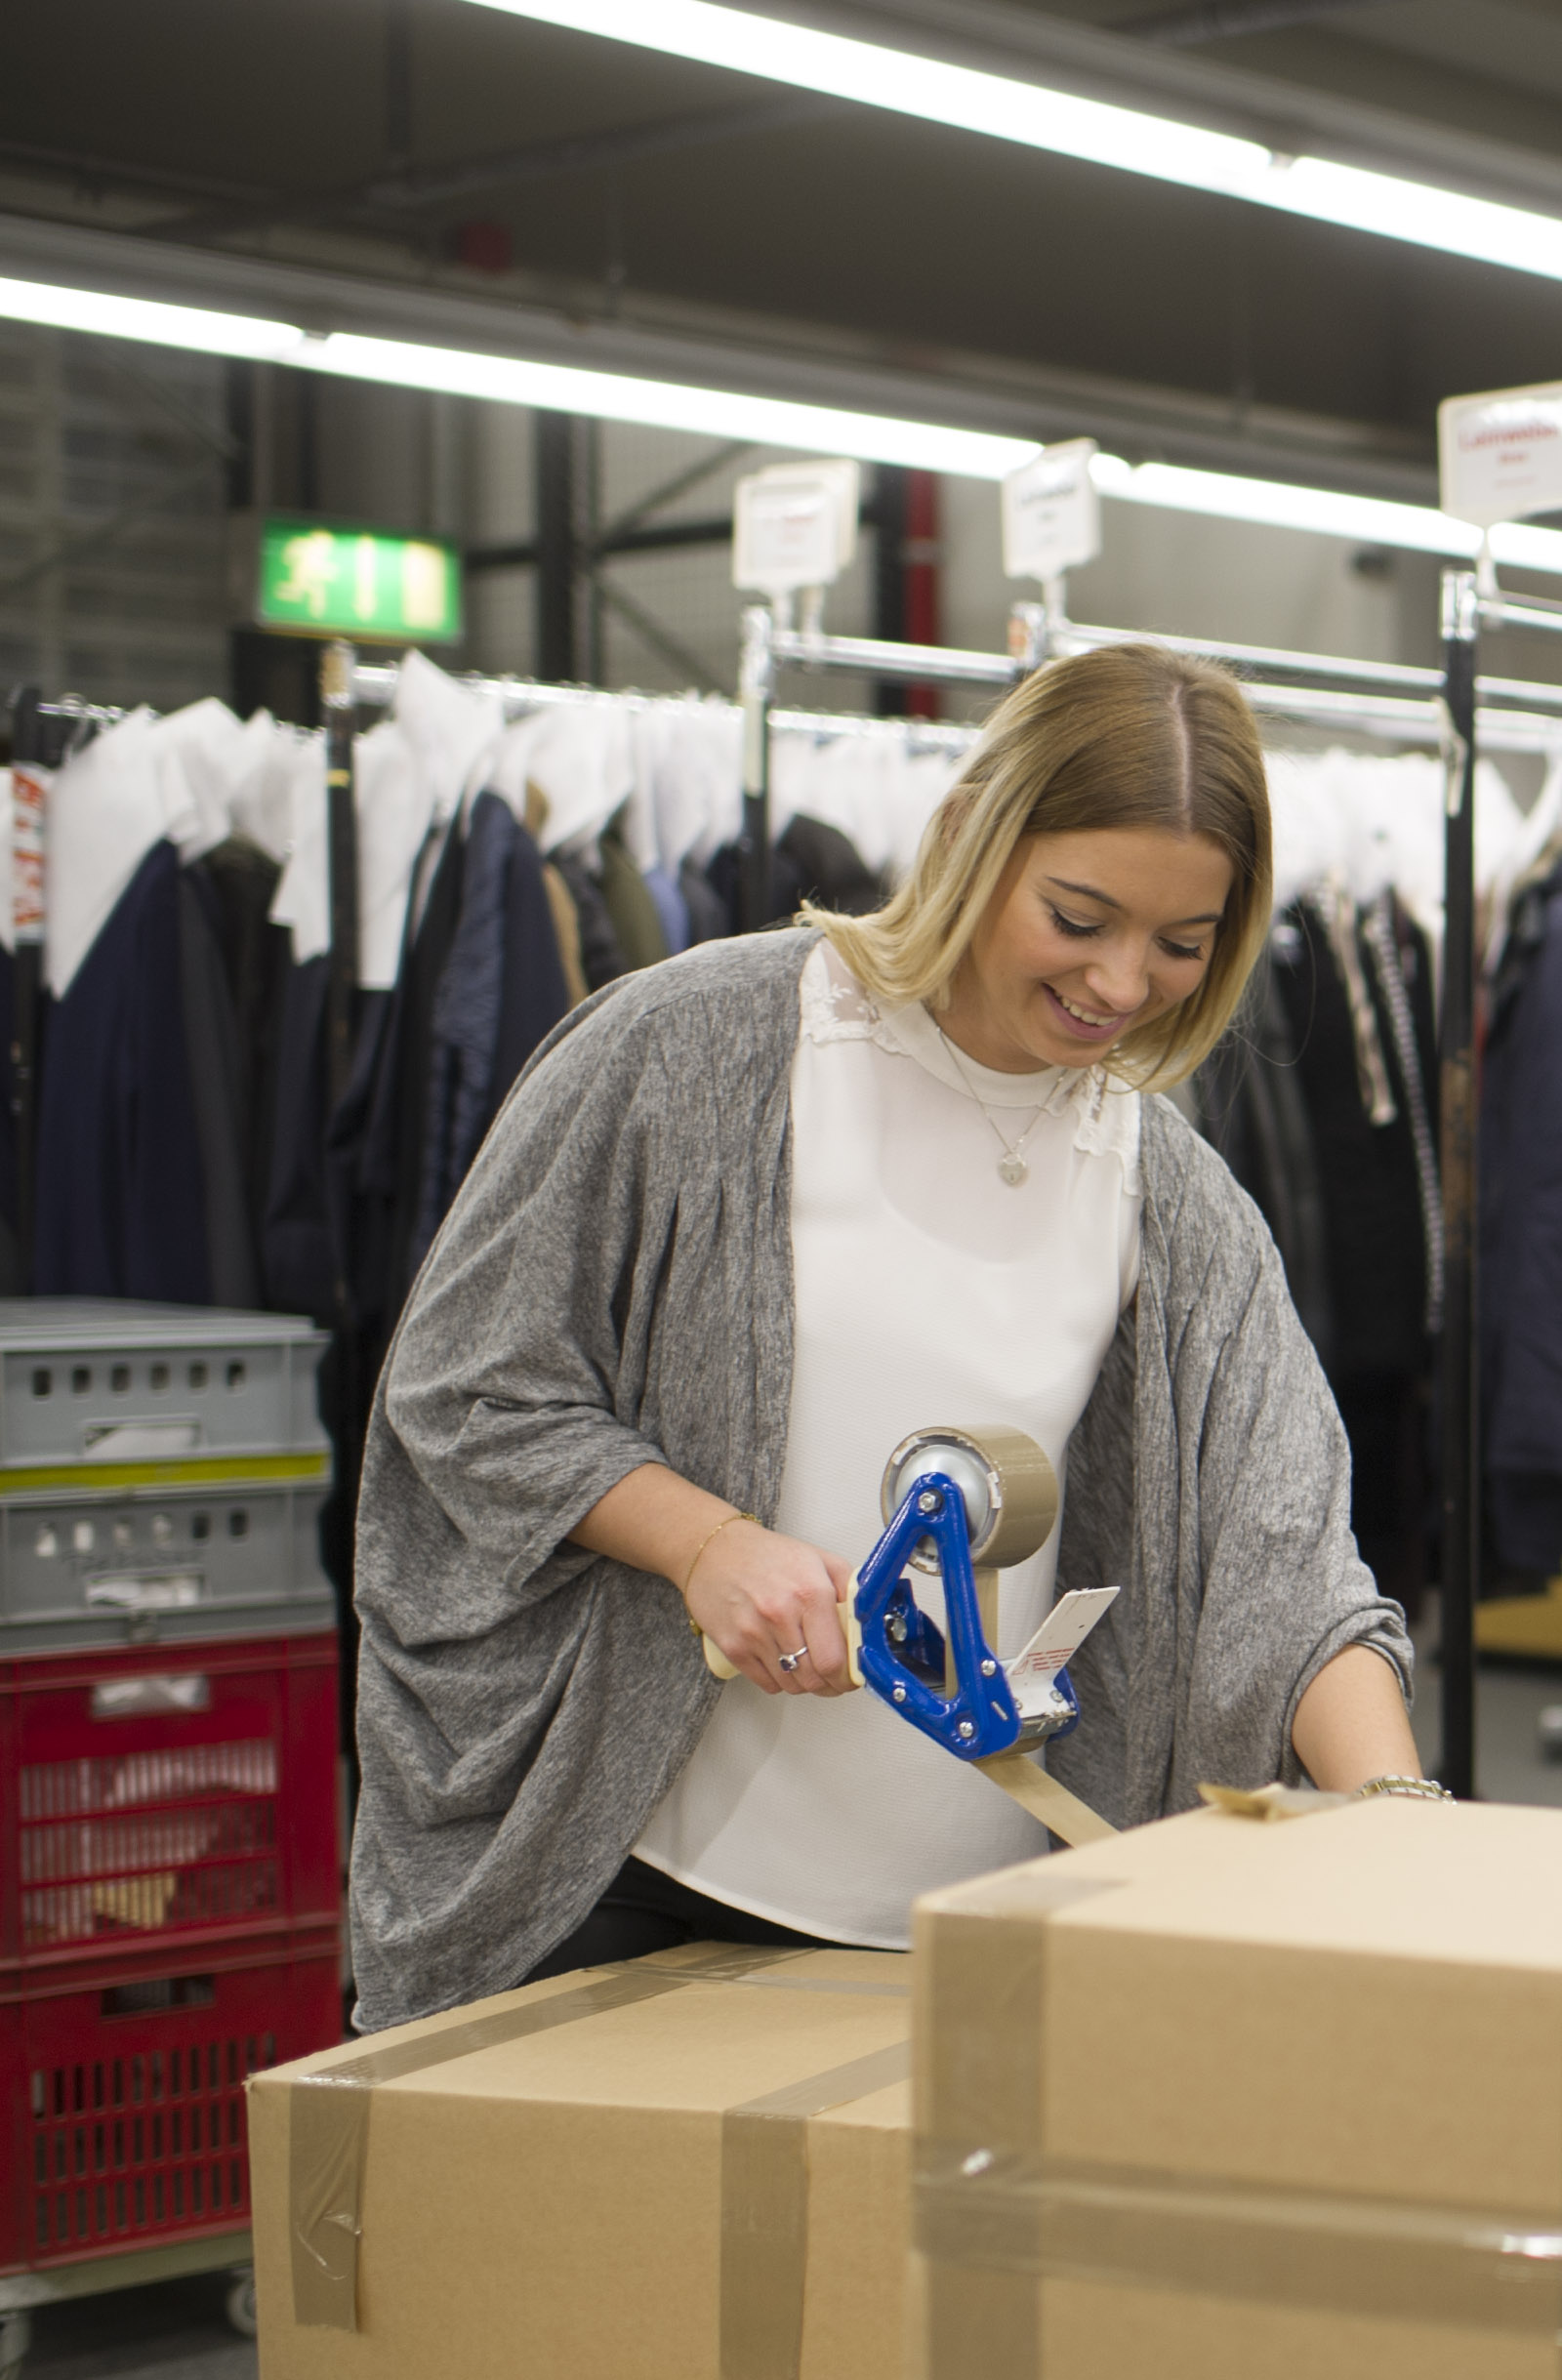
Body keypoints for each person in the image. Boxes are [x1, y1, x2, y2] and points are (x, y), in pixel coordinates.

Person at [350, 641, 1433, 2028]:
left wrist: (1400, 1819)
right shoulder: (690, 1052)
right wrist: (704, 1544)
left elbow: (1287, 1550)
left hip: (970, 1918)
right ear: (969, 833)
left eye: (1181, 944)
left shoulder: (1167, 1192)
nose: (1120, 984)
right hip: (628, 1875)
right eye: (1080, 915)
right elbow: (467, 1388)